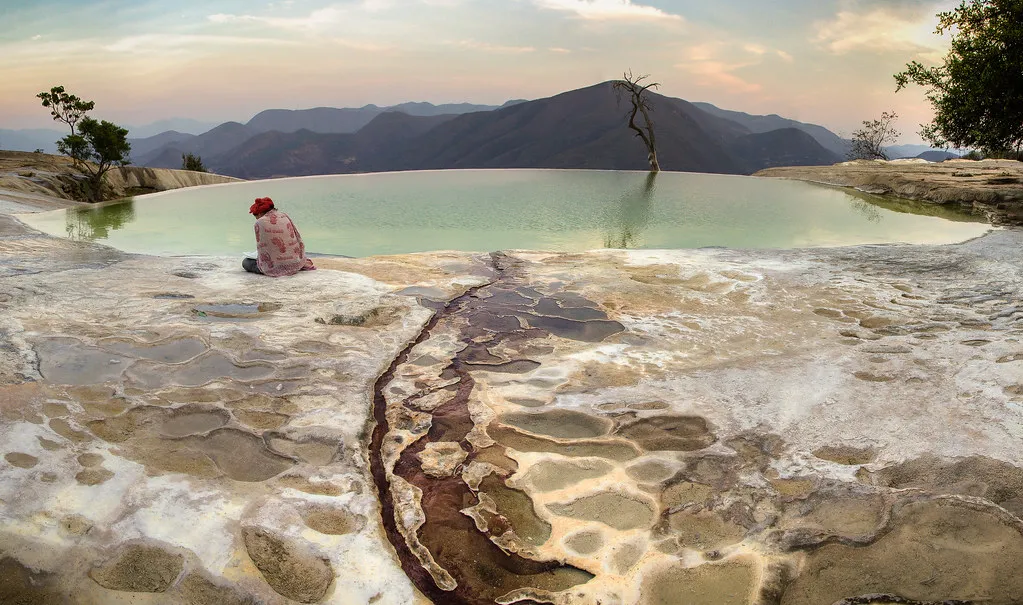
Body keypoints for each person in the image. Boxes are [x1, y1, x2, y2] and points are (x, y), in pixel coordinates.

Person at [243, 197, 316, 276]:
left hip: (275, 266)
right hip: (295, 263)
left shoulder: (260, 222)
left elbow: (263, 249)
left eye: (256, 216)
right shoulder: (284, 216)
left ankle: (278, 268)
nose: (256, 218)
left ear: (260, 213)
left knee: (246, 262)